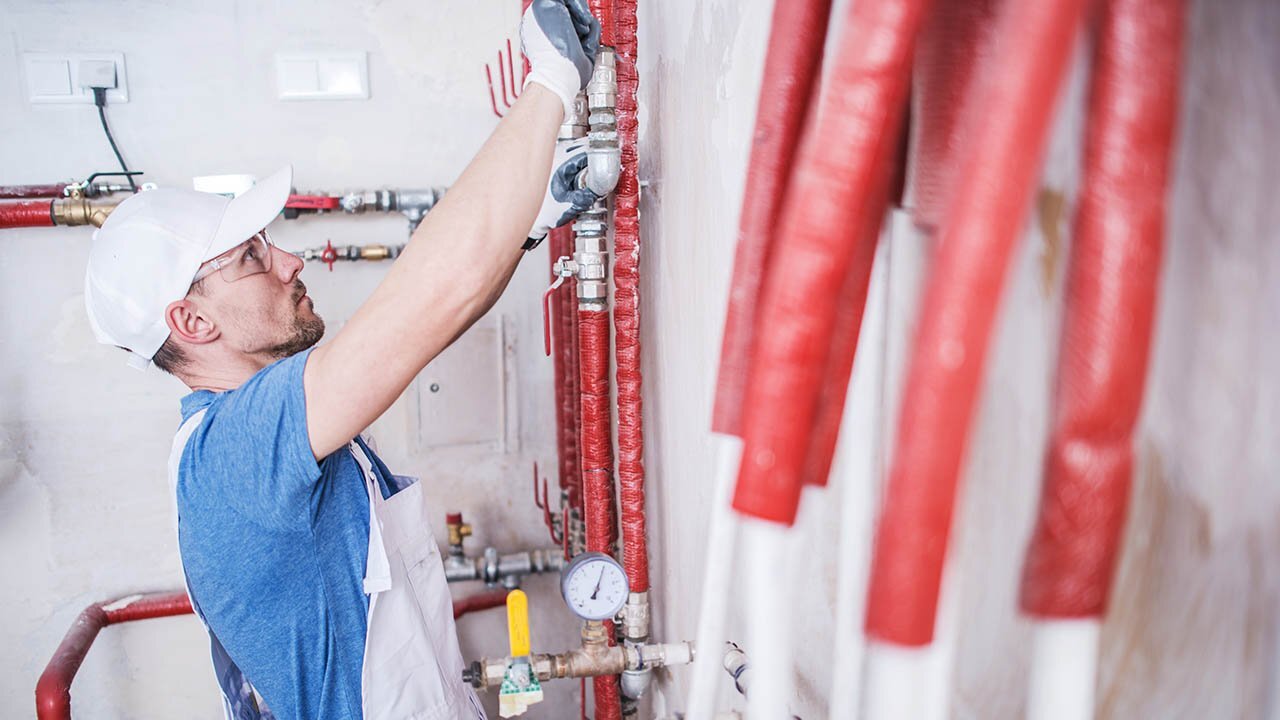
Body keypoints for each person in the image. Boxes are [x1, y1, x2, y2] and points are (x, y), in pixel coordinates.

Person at [81, 1, 601, 717]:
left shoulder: (261, 431)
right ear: (192, 320)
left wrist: (528, 220)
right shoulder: (233, 451)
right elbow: (428, 300)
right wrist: (548, 79)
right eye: (254, 255)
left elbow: (434, 321)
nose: (290, 260)